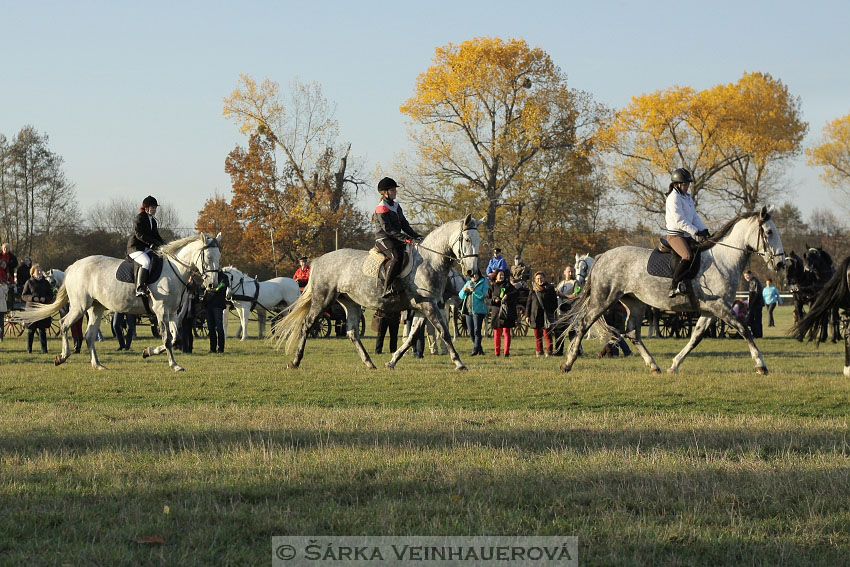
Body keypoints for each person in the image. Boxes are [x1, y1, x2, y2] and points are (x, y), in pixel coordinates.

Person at [373, 177, 422, 298]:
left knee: (411, 253)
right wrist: (407, 239)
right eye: (392, 190)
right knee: (397, 256)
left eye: (395, 190)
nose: (395, 192)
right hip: (384, 239)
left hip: (395, 238)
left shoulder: (396, 206)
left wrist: (416, 236)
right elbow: (388, 230)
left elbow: (404, 224)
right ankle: (387, 288)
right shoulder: (381, 207)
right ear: (385, 192)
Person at [665, 168, 709, 297]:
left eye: (688, 184)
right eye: (685, 184)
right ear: (677, 184)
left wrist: (703, 229)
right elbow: (679, 220)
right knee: (687, 256)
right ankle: (673, 286)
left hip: (686, 234)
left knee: (699, 252)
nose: (687, 186)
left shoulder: (687, 198)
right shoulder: (673, 198)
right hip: (675, 235)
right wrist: (696, 232)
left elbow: (694, 217)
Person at [127, 195, 166, 297]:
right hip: (135, 248)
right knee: (146, 262)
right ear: (146, 208)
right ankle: (139, 288)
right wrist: (151, 243)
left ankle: (149, 284)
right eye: (153, 208)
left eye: (155, 208)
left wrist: (164, 245)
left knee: (158, 258)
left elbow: (156, 235)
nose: (154, 210)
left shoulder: (152, 221)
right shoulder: (140, 218)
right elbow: (139, 234)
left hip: (146, 249)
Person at [21, 264, 53, 354]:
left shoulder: (46, 282)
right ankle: (29, 349)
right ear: (33, 273)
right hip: (32, 309)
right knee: (31, 330)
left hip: (42, 308)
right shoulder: (29, 282)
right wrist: (32, 298)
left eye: (40, 270)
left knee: (42, 330)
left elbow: (50, 294)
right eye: (37, 271)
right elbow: (23, 296)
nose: (39, 272)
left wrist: (45, 298)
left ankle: (44, 350)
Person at [525, 271, 558, 357]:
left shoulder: (550, 289)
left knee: (547, 334)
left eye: (541, 278)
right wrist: (527, 315)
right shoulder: (533, 290)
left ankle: (549, 351)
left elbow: (554, 303)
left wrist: (552, 313)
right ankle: (539, 351)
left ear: (544, 278)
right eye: (537, 279)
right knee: (537, 335)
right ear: (535, 280)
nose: (540, 280)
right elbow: (529, 303)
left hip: (546, 315)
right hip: (536, 315)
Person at [486, 269, 517, 356]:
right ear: (496, 276)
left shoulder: (508, 285)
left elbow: (515, 293)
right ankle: (497, 352)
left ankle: (506, 352)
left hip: (506, 311)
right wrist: (494, 300)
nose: (502, 276)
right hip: (496, 312)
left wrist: (507, 296)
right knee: (497, 333)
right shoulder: (492, 287)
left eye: (503, 275)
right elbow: (487, 299)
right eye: (500, 275)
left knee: (507, 332)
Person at [459, 269, 489, 356]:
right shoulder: (468, 283)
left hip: (479, 311)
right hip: (468, 310)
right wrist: (464, 290)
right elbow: (460, 295)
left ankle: (475, 349)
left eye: (475, 275)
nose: (474, 277)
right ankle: (479, 349)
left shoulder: (484, 282)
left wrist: (474, 291)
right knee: (471, 332)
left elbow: (483, 295)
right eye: (472, 276)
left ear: (479, 275)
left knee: (477, 330)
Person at [204, 270, 229, 353]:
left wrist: (213, 289)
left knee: (219, 328)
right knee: (210, 328)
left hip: (217, 305)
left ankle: (221, 348)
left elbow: (222, 286)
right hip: (209, 305)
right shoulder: (208, 276)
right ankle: (212, 348)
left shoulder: (223, 277)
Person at [744, 270, 764, 338]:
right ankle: (756, 334)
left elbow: (757, 294)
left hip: (756, 305)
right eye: (745, 276)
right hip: (754, 304)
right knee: (752, 320)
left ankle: (758, 335)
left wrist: (751, 303)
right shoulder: (751, 282)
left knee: (756, 320)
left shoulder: (755, 282)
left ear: (751, 274)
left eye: (747, 275)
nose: (746, 277)